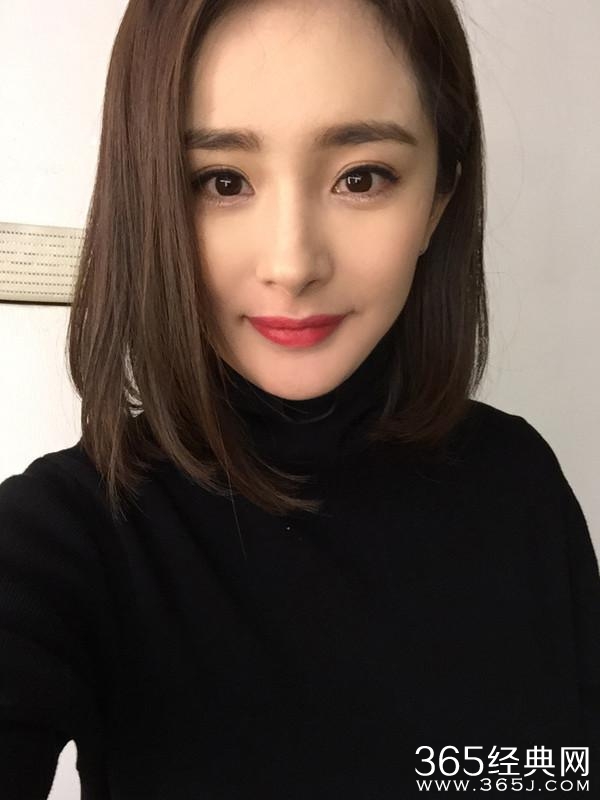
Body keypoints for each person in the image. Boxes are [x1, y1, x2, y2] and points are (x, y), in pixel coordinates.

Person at [0, 0, 598, 797]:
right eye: (222, 181)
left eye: (362, 177)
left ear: (439, 200)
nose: (292, 264)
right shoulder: (65, 537)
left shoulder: (519, 481)